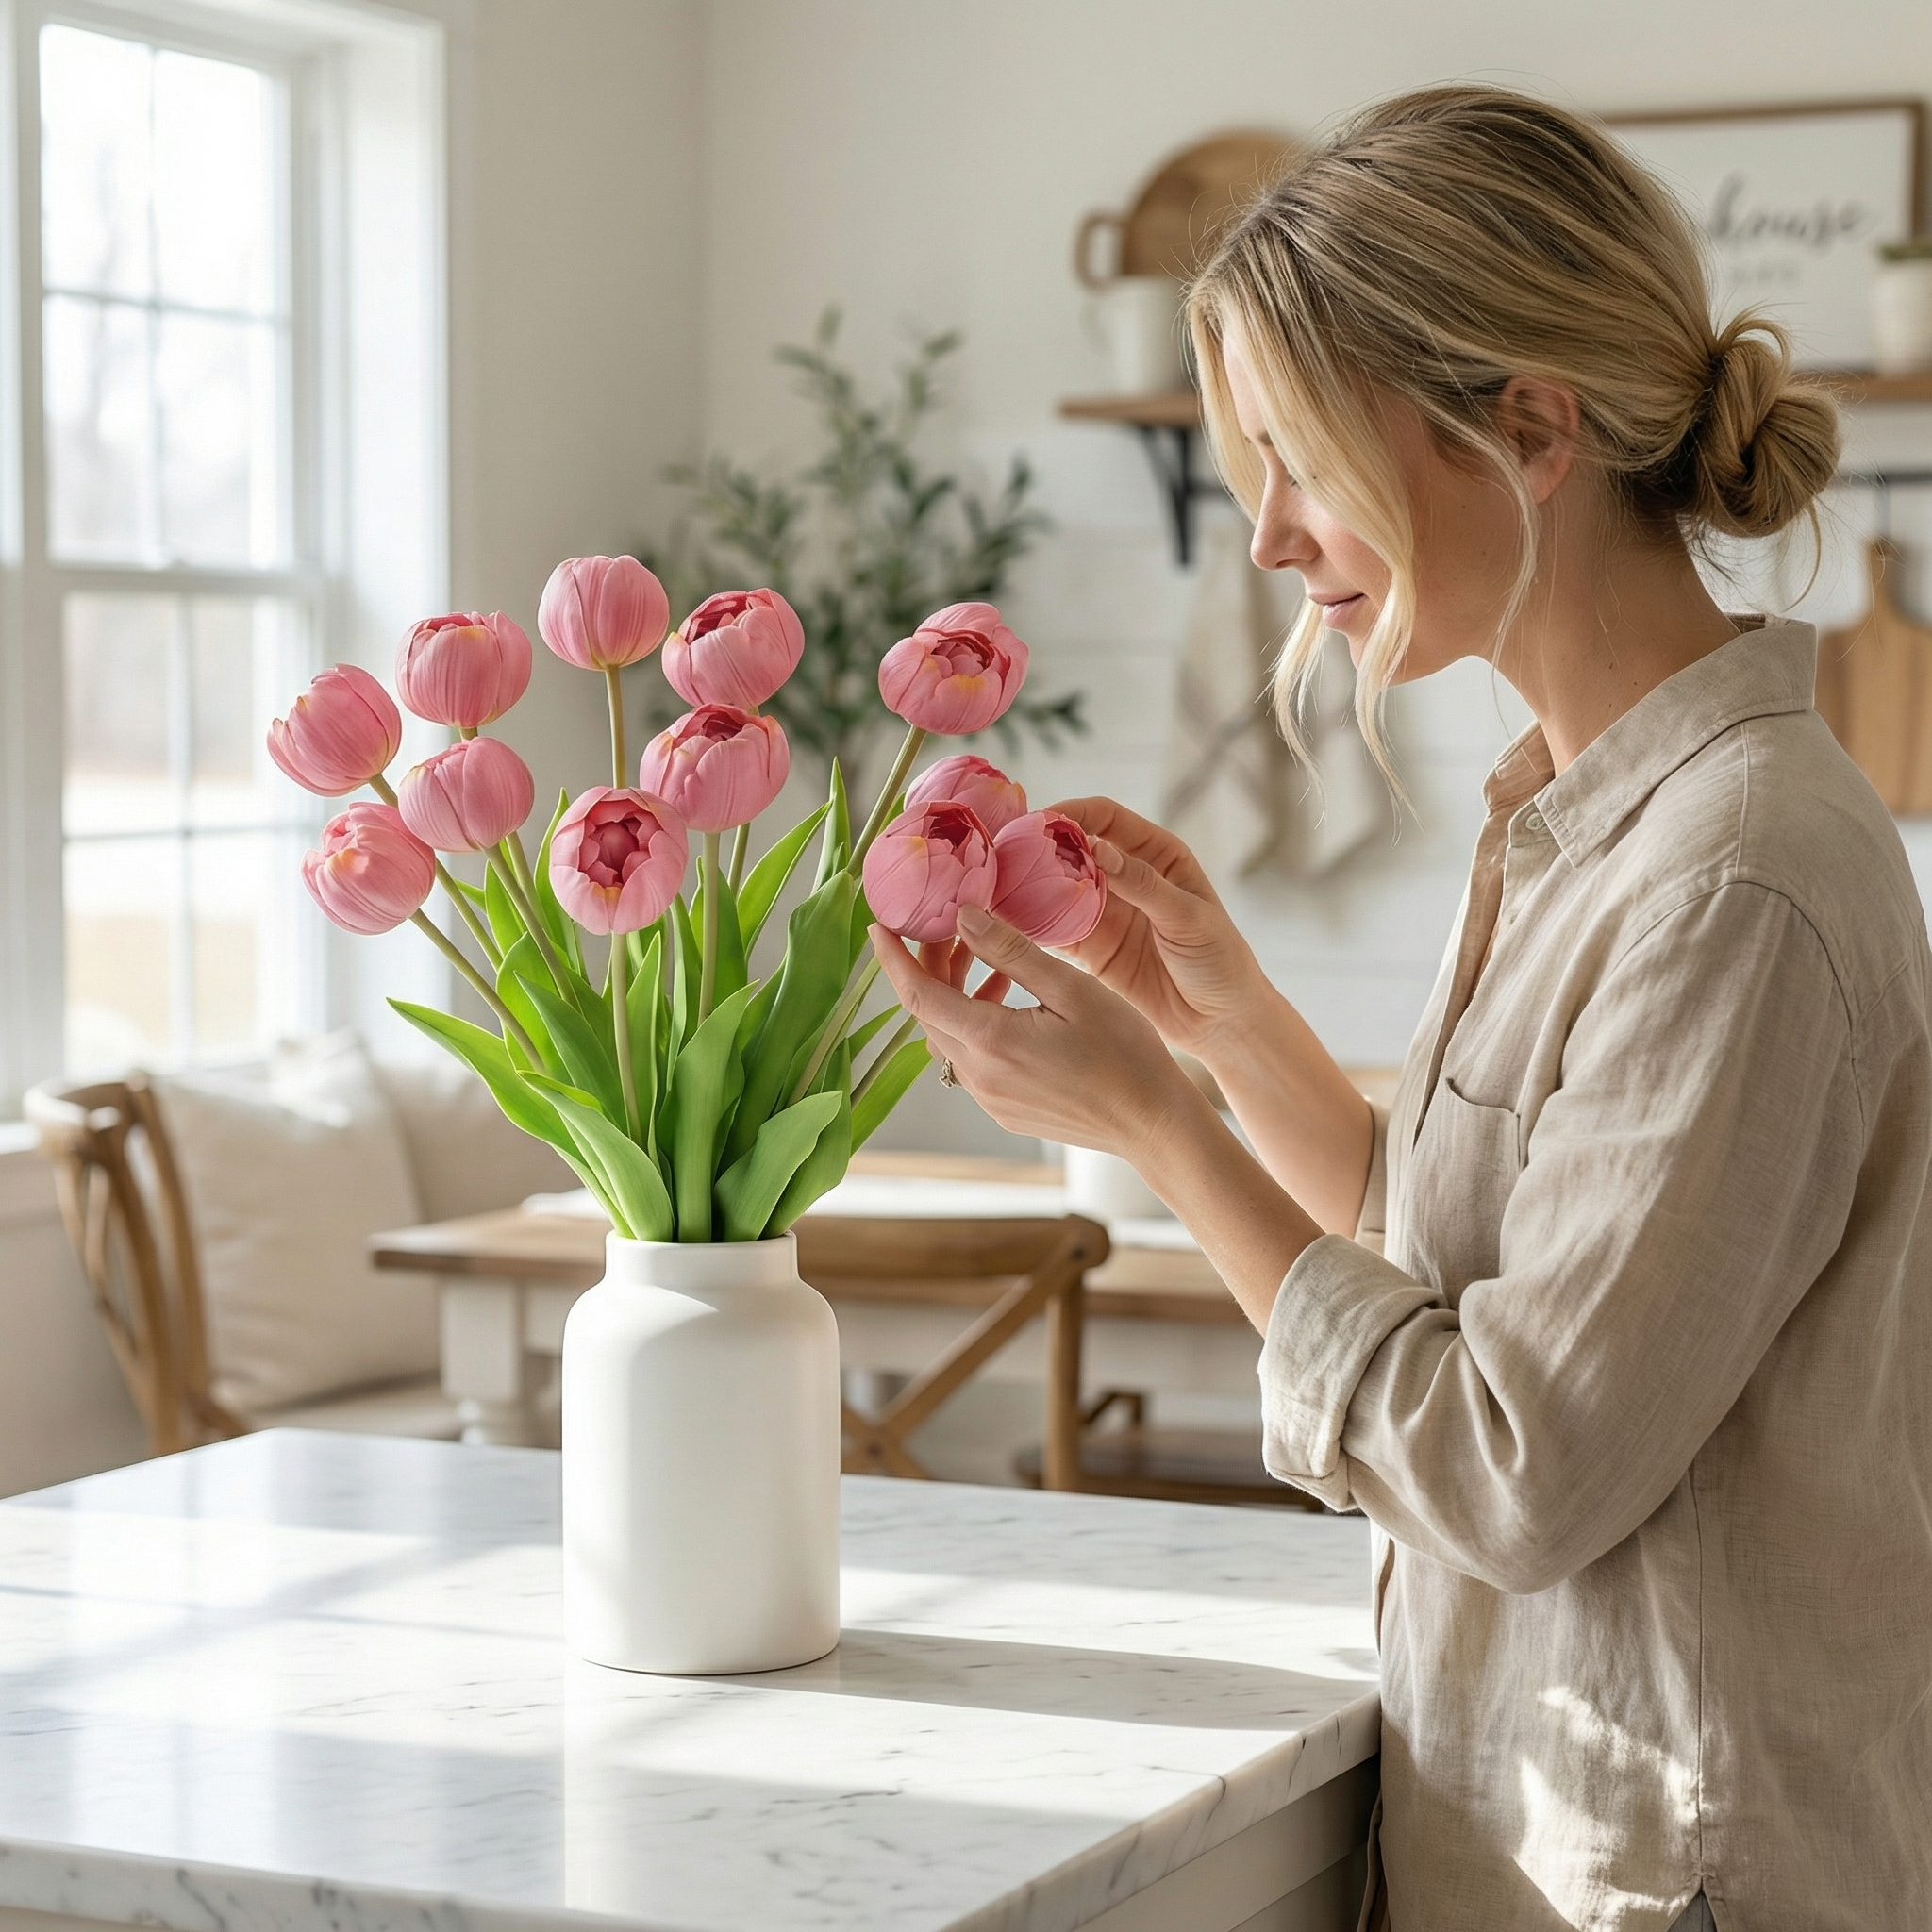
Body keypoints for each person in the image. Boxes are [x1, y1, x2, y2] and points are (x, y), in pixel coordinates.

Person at [871, 86, 1932, 1932]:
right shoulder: (1575, 809)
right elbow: (1459, 1256)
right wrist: (1213, 1014)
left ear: (1527, 429)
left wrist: (1159, 1131)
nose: (1271, 537)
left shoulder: (1732, 878)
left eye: (1294, 457)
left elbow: (1513, 1462)